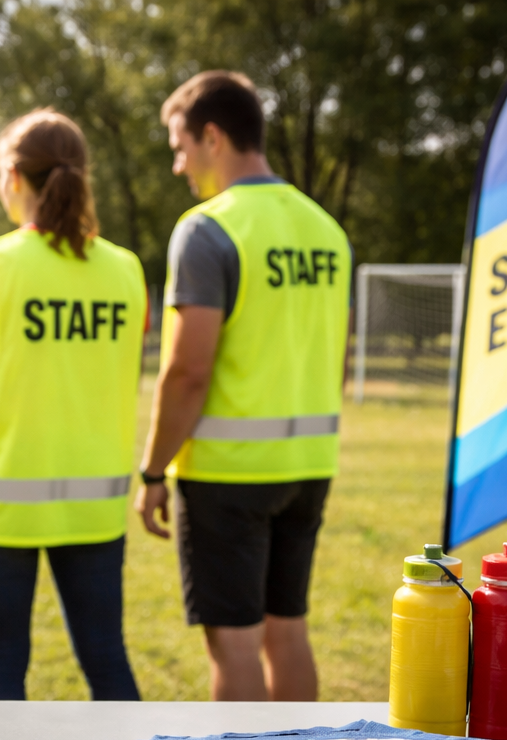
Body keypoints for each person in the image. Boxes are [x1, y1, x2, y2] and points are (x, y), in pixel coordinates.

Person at [0, 109, 147, 701]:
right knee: (107, 661)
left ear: (14, 176)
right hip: (94, 504)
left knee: (0, 669)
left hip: (3, 505)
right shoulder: (125, 268)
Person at [135, 71, 351, 702]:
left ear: (212, 136)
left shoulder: (206, 229)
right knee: (289, 630)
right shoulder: (326, 230)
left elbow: (187, 371)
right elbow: (332, 359)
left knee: (233, 643)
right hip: (309, 465)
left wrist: (153, 472)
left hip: (228, 474)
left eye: (180, 147)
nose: (179, 165)